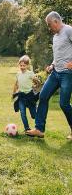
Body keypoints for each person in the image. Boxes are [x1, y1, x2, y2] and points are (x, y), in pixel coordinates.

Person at [26, 11, 72, 139]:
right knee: (43, 96)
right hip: (55, 72)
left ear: (56, 21)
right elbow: (58, 54)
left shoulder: (68, 30)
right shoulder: (55, 37)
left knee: (64, 104)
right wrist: (52, 65)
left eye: (49, 24)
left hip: (67, 74)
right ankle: (39, 129)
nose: (49, 27)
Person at [12, 55, 39, 133]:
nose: (22, 67)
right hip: (21, 96)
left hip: (30, 96)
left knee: (34, 116)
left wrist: (36, 85)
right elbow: (16, 84)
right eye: (21, 65)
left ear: (27, 65)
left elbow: (36, 81)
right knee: (22, 113)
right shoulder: (18, 74)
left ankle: (38, 127)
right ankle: (27, 128)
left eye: (24, 65)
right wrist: (14, 94)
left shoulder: (30, 73)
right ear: (19, 65)